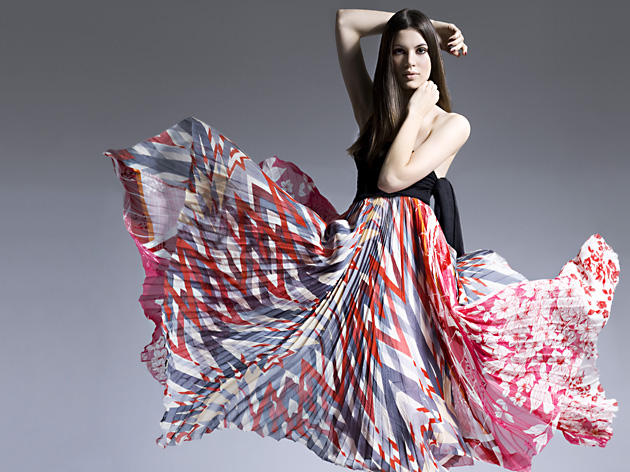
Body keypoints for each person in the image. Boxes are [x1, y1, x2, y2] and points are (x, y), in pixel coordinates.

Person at [104, 8, 618, 472]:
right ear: (387, 58)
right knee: (361, 384)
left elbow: (394, 179)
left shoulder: (452, 124)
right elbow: (346, 21)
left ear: (435, 61)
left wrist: (417, 107)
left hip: (411, 267)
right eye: (399, 51)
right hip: (358, 257)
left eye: (422, 51)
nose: (411, 62)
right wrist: (434, 28)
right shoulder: (376, 115)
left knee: (408, 389)